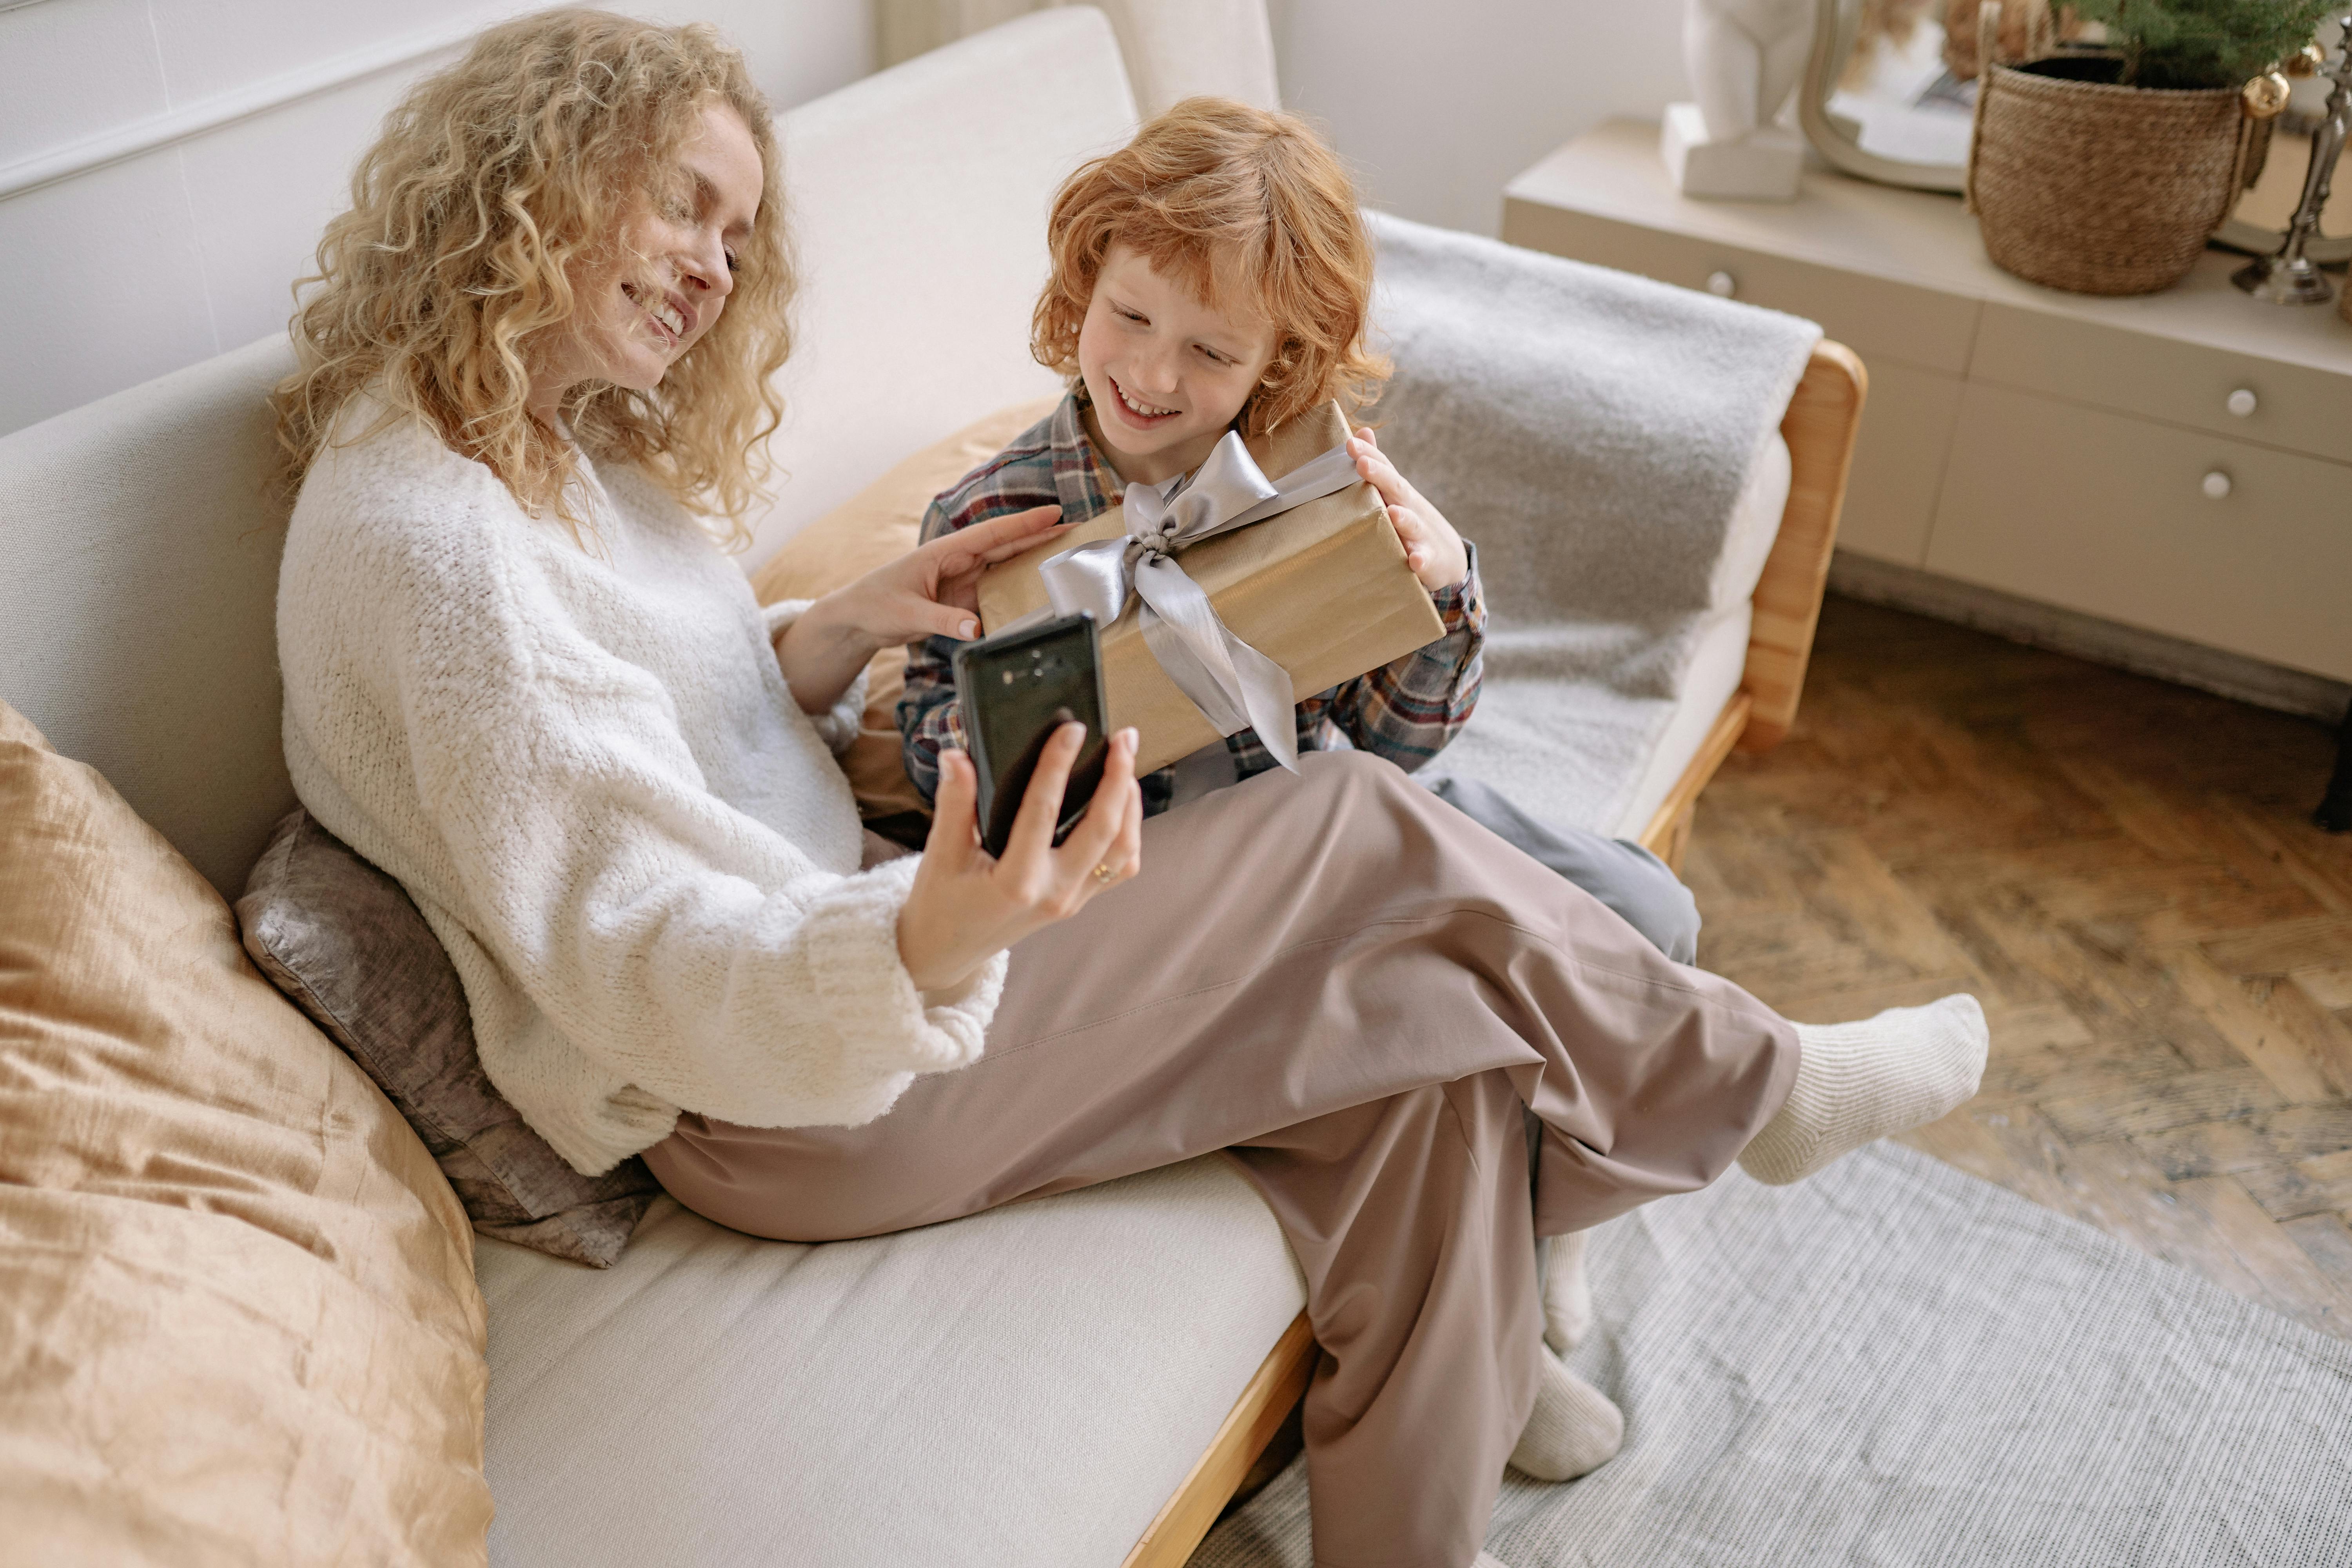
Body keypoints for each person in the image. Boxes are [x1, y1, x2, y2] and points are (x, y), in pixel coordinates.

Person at [268, 15, 1988, 1568]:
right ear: (537, 181)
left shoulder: (562, 441)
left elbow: (648, 734)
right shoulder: (430, 546)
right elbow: (636, 947)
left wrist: (822, 636)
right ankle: (1749, 1087)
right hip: (780, 1080)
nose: (716, 269)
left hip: (839, 957)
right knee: (1358, 833)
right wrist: (922, 941)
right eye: (681, 209)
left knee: (1434, 1072)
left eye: (736, 232)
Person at [893, 99, 1703, 969]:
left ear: (1276, 359)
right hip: (1138, 887)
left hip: (1323, 813)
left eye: (1212, 354)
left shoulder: (1308, 487)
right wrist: (1012, 725)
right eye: (1131, 316)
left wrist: (1435, 584)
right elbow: (931, 760)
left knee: (1653, 909)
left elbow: (1396, 744)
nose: (1154, 371)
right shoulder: (985, 524)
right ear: (1089, 276)